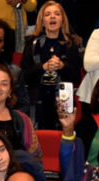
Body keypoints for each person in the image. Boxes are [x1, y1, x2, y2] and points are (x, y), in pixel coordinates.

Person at [20, 0, 81, 129]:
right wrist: (43, 67)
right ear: (42, 21)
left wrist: (62, 66)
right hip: (36, 102)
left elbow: (76, 77)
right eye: (47, 14)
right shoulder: (32, 43)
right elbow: (24, 76)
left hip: (63, 101)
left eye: (56, 14)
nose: (52, 17)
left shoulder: (70, 44)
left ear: (62, 20)